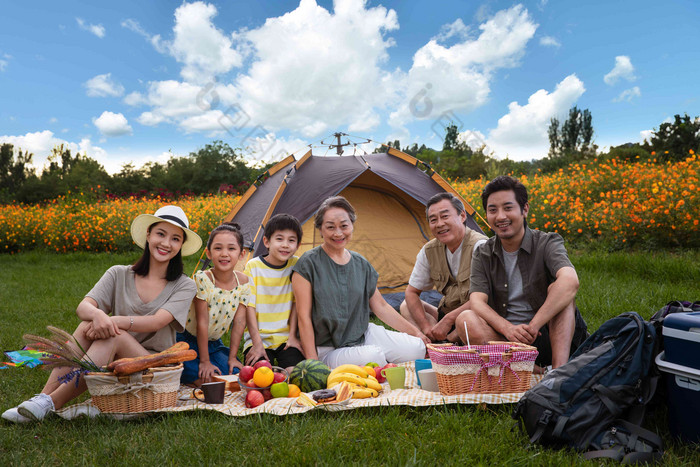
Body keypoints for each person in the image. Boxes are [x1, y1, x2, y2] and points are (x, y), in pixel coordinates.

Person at [2, 205, 201, 423]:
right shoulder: (119, 273)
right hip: (113, 359)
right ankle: (42, 397)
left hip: (152, 366)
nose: (165, 243)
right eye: (160, 234)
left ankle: (51, 403)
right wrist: (98, 316)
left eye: (175, 239)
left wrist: (111, 320)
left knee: (112, 333)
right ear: (148, 235)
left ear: (181, 245)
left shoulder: (185, 285)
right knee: (87, 324)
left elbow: (156, 321)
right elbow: (84, 307)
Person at [456, 176, 587, 369]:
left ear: (524, 209)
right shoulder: (483, 252)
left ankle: (558, 374)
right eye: (493, 210)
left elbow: (570, 281)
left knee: (561, 293)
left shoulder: (547, 242)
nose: (500, 216)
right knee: (465, 319)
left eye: (508, 208)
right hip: (506, 342)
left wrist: (533, 326)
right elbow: (477, 301)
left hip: (548, 336)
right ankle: (531, 370)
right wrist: (507, 329)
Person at [291, 195, 429, 368]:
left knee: (417, 348)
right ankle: (370, 360)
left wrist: (416, 333)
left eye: (344, 226)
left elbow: (382, 307)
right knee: (374, 357)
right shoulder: (307, 264)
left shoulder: (360, 263)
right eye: (330, 227)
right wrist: (313, 364)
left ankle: (372, 357)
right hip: (327, 347)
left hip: (362, 335)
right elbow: (303, 317)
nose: (338, 233)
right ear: (320, 229)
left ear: (352, 225)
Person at [399, 193, 488, 343]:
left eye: (445, 216)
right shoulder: (429, 250)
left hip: (475, 317)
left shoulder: (480, 246)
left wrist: (449, 319)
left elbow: (488, 298)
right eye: (433, 220)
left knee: (466, 320)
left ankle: (450, 343)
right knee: (405, 306)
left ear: (462, 216)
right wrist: (427, 327)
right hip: (446, 316)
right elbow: (411, 292)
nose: (439, 224)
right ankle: (436, 342)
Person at [176, 223, 253, 386]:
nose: (224, 254)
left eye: (231, 249)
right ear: (208, 253)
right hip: (186, 340)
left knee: (234, 373)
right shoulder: (203, 279)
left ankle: (205, 371)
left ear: (242, 254)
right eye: (218, 248)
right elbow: (202, 322)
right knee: (202, 374)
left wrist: (232, 357)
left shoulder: (244, 282)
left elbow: (239, 322)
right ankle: (192, 373)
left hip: (213, 343)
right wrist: (204, 361)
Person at [242, 214, 305, 373]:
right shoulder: (253, 266)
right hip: (258, 338)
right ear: (266, 242)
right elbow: (249, 307)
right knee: (262, 378)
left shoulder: (296, 264)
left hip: (285, 339)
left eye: (291, 240)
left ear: (298, 245)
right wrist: (257, 344)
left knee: (295, 375)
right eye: (279, 239)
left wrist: (292, 336)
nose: (285, 245)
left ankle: (282, 371)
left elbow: (297, 302)